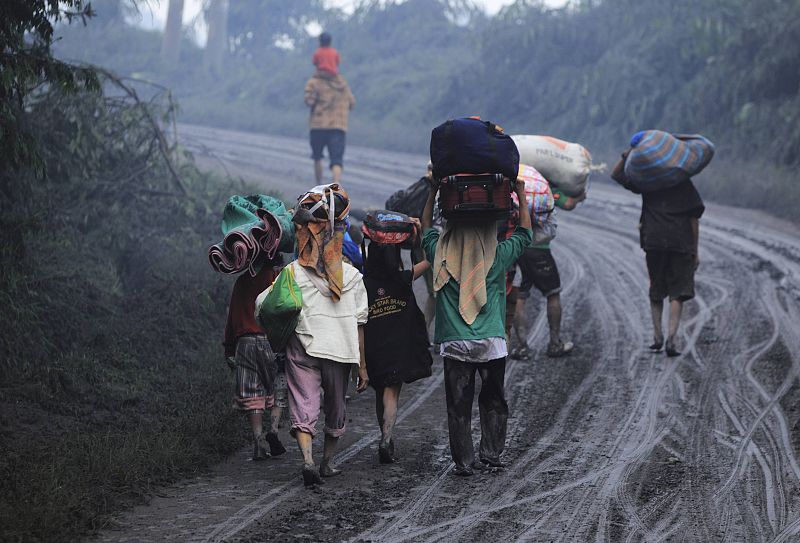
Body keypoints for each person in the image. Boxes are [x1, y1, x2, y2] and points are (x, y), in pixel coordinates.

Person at [421, 177, 532, 476]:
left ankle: (464, 462)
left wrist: (432, 191)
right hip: (491, 343)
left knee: (458, 406)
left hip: (455, 343)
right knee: (494, 400)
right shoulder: (496, 258)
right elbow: (524, 234)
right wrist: (520, 193)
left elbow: (425, 229)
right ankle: (492, 454)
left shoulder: (439, 253)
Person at [266, 183, 369, 486]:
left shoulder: (292, 272)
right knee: (336, 407)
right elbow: (360, 324)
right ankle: (326, 463)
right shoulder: (351, 277)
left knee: (304, 404)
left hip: (303, 348)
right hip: (339, 351)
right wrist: (362, 367)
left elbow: (267, 305)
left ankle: (307, 460)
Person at [611, 150, 704, 357]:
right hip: (680, 242)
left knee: (656, 287)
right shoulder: (684, 183)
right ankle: (672, 338)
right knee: (677, 292)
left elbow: (617, 175)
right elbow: (693, 220)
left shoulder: (649, 180)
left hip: (653, 240)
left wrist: (626, 155)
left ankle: (657, 337)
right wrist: (695, 251)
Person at [362, 219, 433, 464]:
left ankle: (383, 433)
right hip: (397, 346)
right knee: (392, 393)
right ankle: (387, 437)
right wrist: (419, 234)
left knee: (380, 393)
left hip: (374, 346)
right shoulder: (403, 278)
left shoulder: (364, 284)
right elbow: (426, 260)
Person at [223, 257, 286, 460]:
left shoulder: (242, 281)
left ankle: (258, 441)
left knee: (252, 394)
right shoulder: (277, 279)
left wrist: (229, 348)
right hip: (271, 341)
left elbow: (232, 317)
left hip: (245, 343)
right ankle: (273, 430)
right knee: (278, 386)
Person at [510, 187, 578, 360]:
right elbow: (568, 203)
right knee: (553, 294)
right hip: (540, 250)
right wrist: (580, 195)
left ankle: (521, 347)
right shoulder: (546, 186)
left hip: (518, 247)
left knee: (520, 297)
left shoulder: (520, 182)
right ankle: (555, 344)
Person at [304, 57, 355, 185]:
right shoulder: (342, 84)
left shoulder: (314, 82)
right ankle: (336, 184)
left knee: (317, 157)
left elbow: (309, 101)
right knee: (337, 159)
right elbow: (352, 103)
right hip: (338, 126)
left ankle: (318, 185)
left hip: (318, 125)